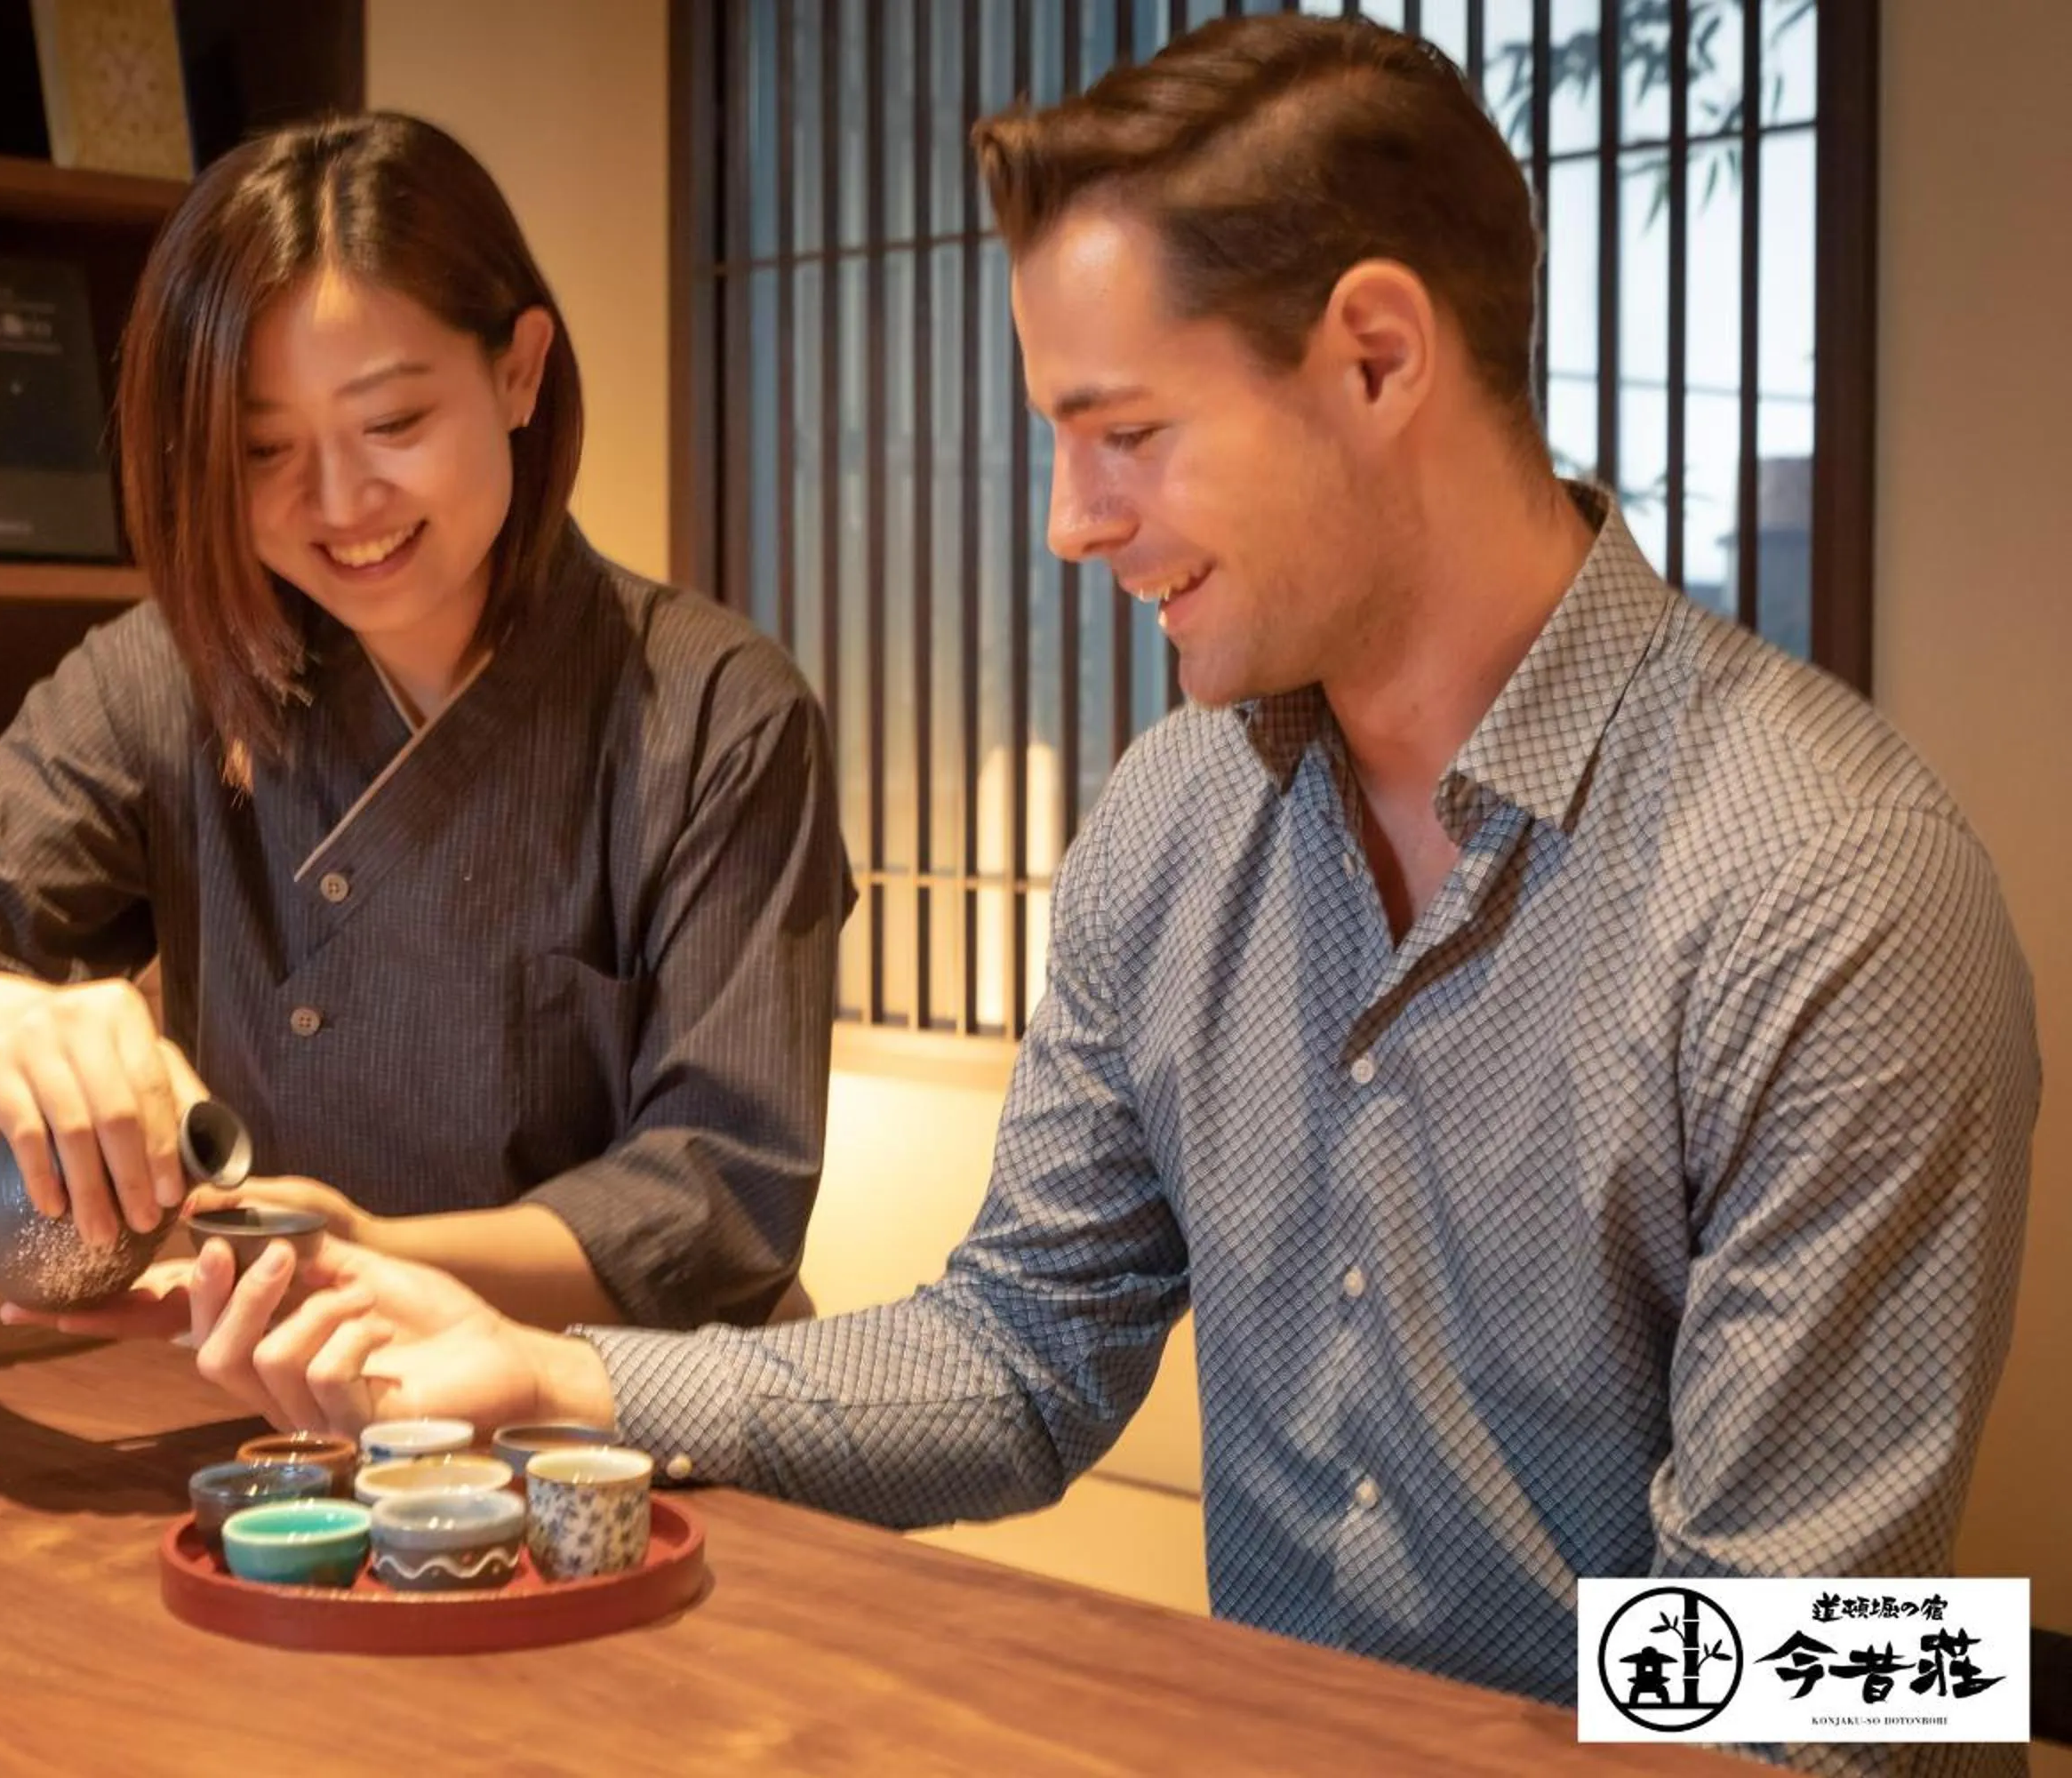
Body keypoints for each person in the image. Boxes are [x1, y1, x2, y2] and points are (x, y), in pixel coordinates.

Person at [171, 20, 2037, 1774]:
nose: (1068, 520)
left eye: (1123, 432)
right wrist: (554, 1373)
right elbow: (1018, 1360)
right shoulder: (1173, 822)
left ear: (1378, 357)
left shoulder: (1828, 890)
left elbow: (1825, 1660)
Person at [0, 113, 851, 1339]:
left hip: (623, 1449)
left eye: (394, 425)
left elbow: (720, 1200)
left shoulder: (714, 712)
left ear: (520, 370)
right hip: (278, 1441)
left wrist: (359, 1262)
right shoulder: (176, 678)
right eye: (264, 449)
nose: (339, 504)